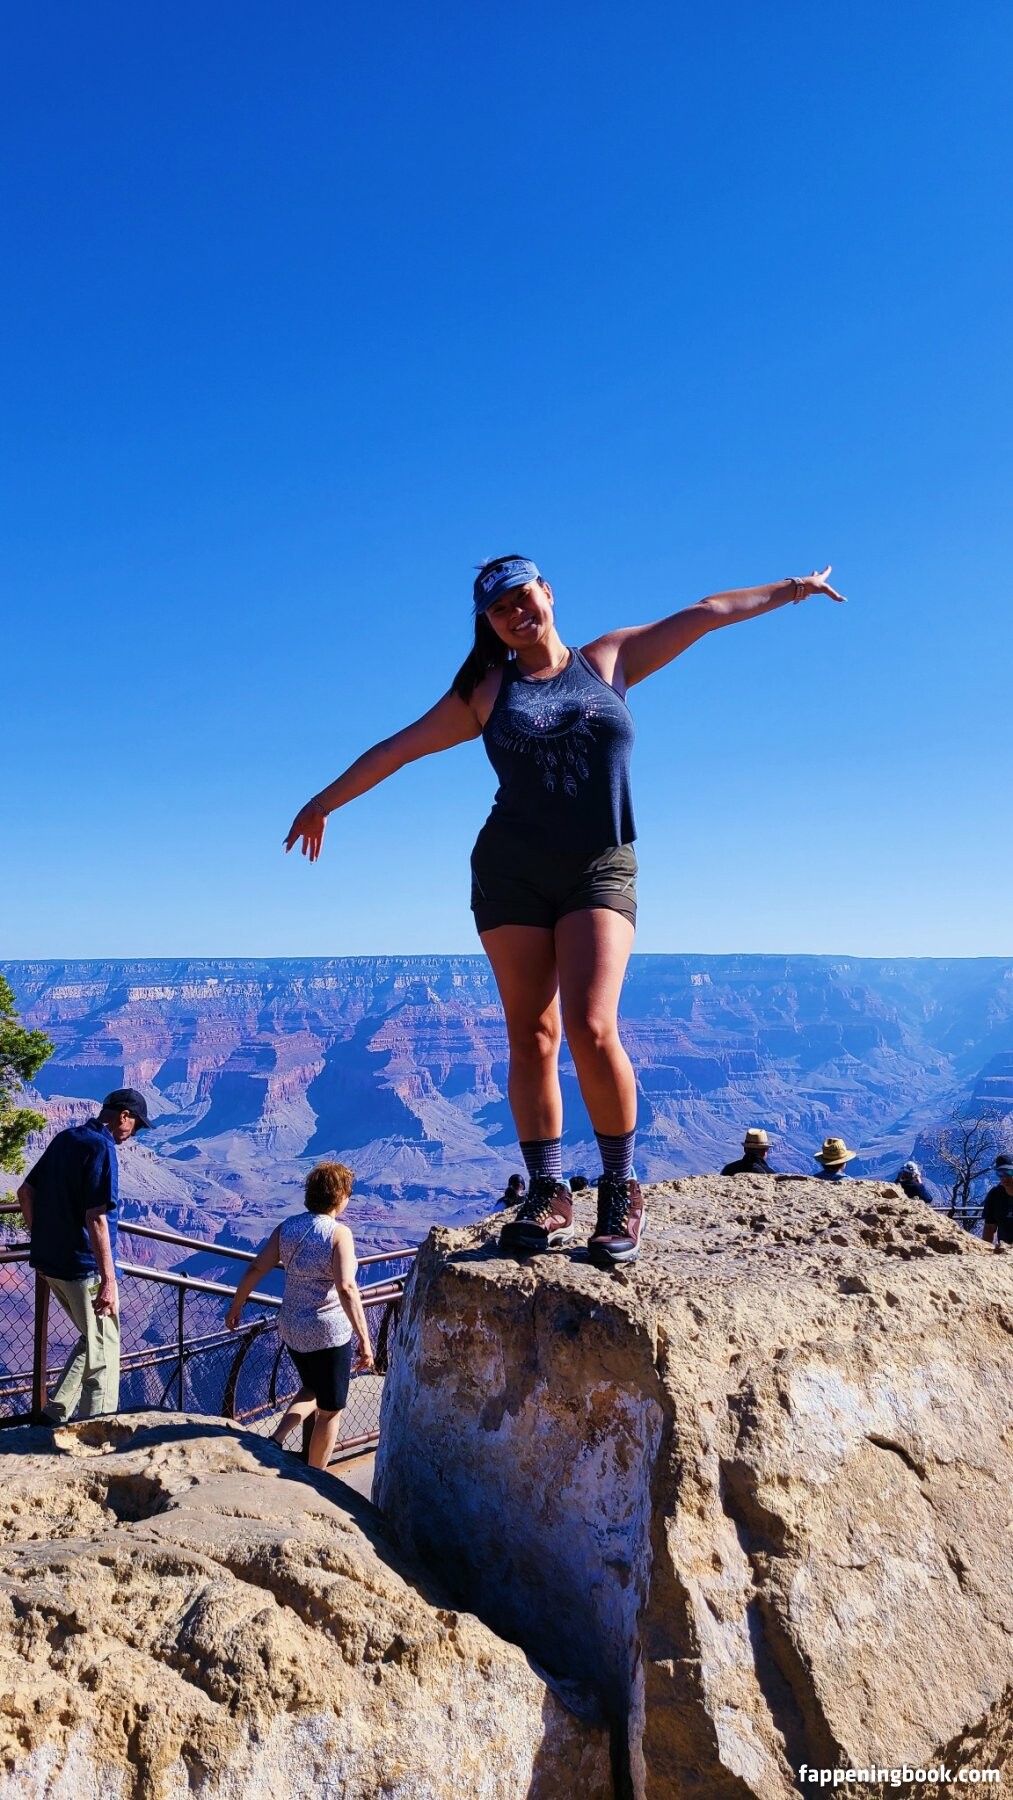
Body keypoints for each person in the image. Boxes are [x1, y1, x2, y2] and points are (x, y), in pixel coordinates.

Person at [285, 555, 844, 1270]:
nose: (516, 613)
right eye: (499, 609)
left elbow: (706, 613)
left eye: (523, 597)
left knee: (590, 1025)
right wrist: (323, 802)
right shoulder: (485, 690)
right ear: (489, 623)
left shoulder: (608, 659)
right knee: (532, 1034)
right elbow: (399, 747)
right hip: (509, 875)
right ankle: (548, 1191)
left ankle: (618, 1188)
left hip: (598, 866)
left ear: (547, 593)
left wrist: (793, 589)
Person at [225, 1161, 375, 1470]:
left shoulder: (288, 1227)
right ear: (340, 1196)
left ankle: (276, 1437)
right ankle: (315, 1477)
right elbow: (346, 1287)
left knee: (313, 1385)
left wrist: (236, 1306)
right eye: (348, 1193)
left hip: (292, 1327)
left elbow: (257, 1267)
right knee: (330, 1410)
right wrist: (364, 1338)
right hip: (327, 1333)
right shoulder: (339, 1234)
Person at [16, 1087, 151, 1423]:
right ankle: (99, 1434)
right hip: (83, 1269)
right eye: (136, 1125)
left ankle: (55, 1411)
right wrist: (108, 1281)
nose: (133, 1134)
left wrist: (43, 1241)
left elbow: (25, 1193)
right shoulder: (101, 1147)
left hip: (51, 1264)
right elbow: (97, 1218)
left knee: (91, 1338)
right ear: (124, 1116)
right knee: (104, 1354)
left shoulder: (66, 1138)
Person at [981, 1154, 1013, 1251]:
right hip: (1005, 1253)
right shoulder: (995, 1195)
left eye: (1008, 1172)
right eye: (1000, 1173)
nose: (1004, 1177)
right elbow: (989, 1227)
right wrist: (985, 1252)